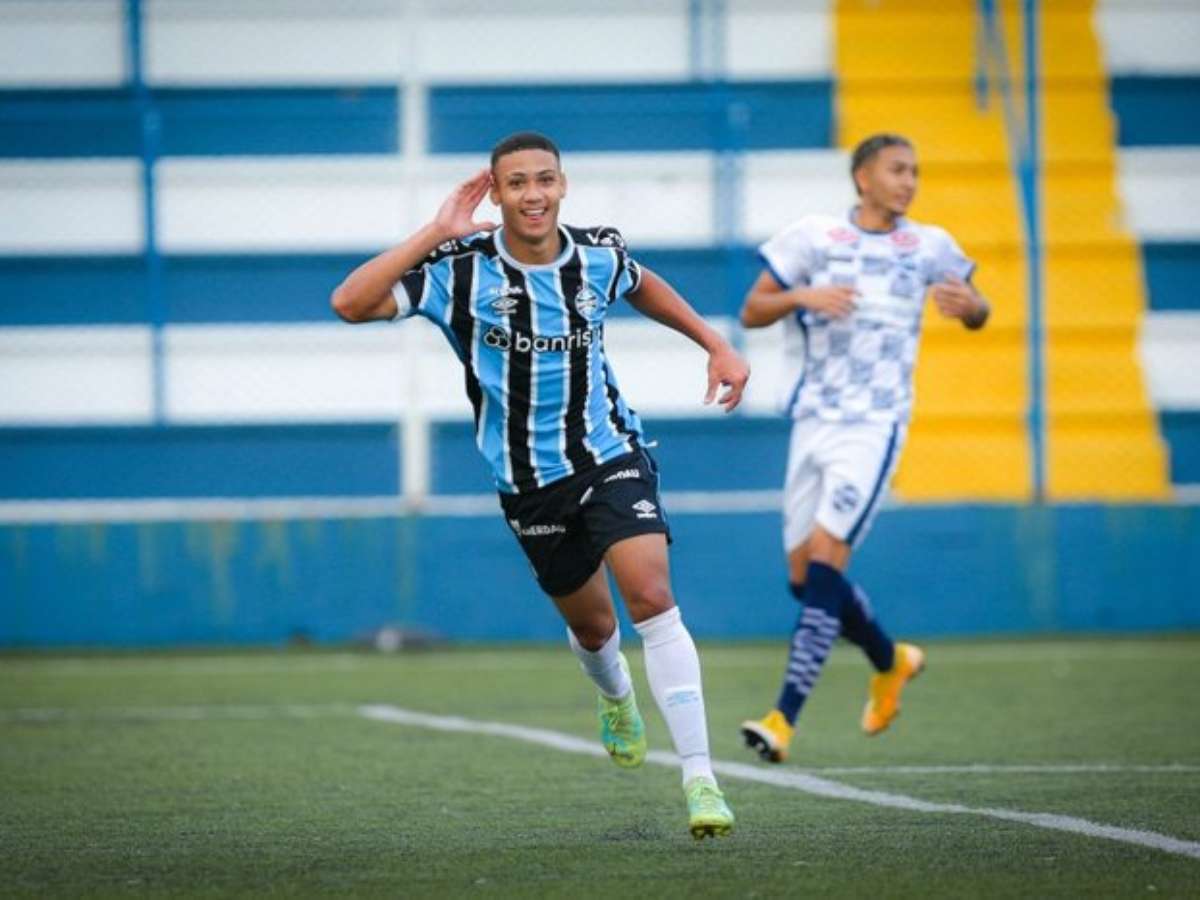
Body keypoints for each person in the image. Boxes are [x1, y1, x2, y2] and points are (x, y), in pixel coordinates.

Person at [332, 131, 748, 837]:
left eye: (545, 180)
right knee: (594, 627)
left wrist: (715, 343)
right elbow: (350, 302)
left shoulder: (596, 256)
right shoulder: (457, 272)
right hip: (528, 482)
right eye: (517, 183)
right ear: (496, 194)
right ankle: (615, 695)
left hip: (610, 452)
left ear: (563, 185)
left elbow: (642, 284)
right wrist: (436, 230)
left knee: (650, 593)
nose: (534, 195)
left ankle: (701, 778)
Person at [738, 133, 990, 763]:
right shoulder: (814, 237)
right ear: (862, 177)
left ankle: (782, 719)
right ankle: (891, 659)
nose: (909, 181)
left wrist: (973, 306)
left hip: (874, 426)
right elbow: (751, 310)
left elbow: (979, 308)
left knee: (826, 562)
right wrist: (802, 295)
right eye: (897, 169)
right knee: (803, 579)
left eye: (915, 171)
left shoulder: (929, 245)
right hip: (812, 421)